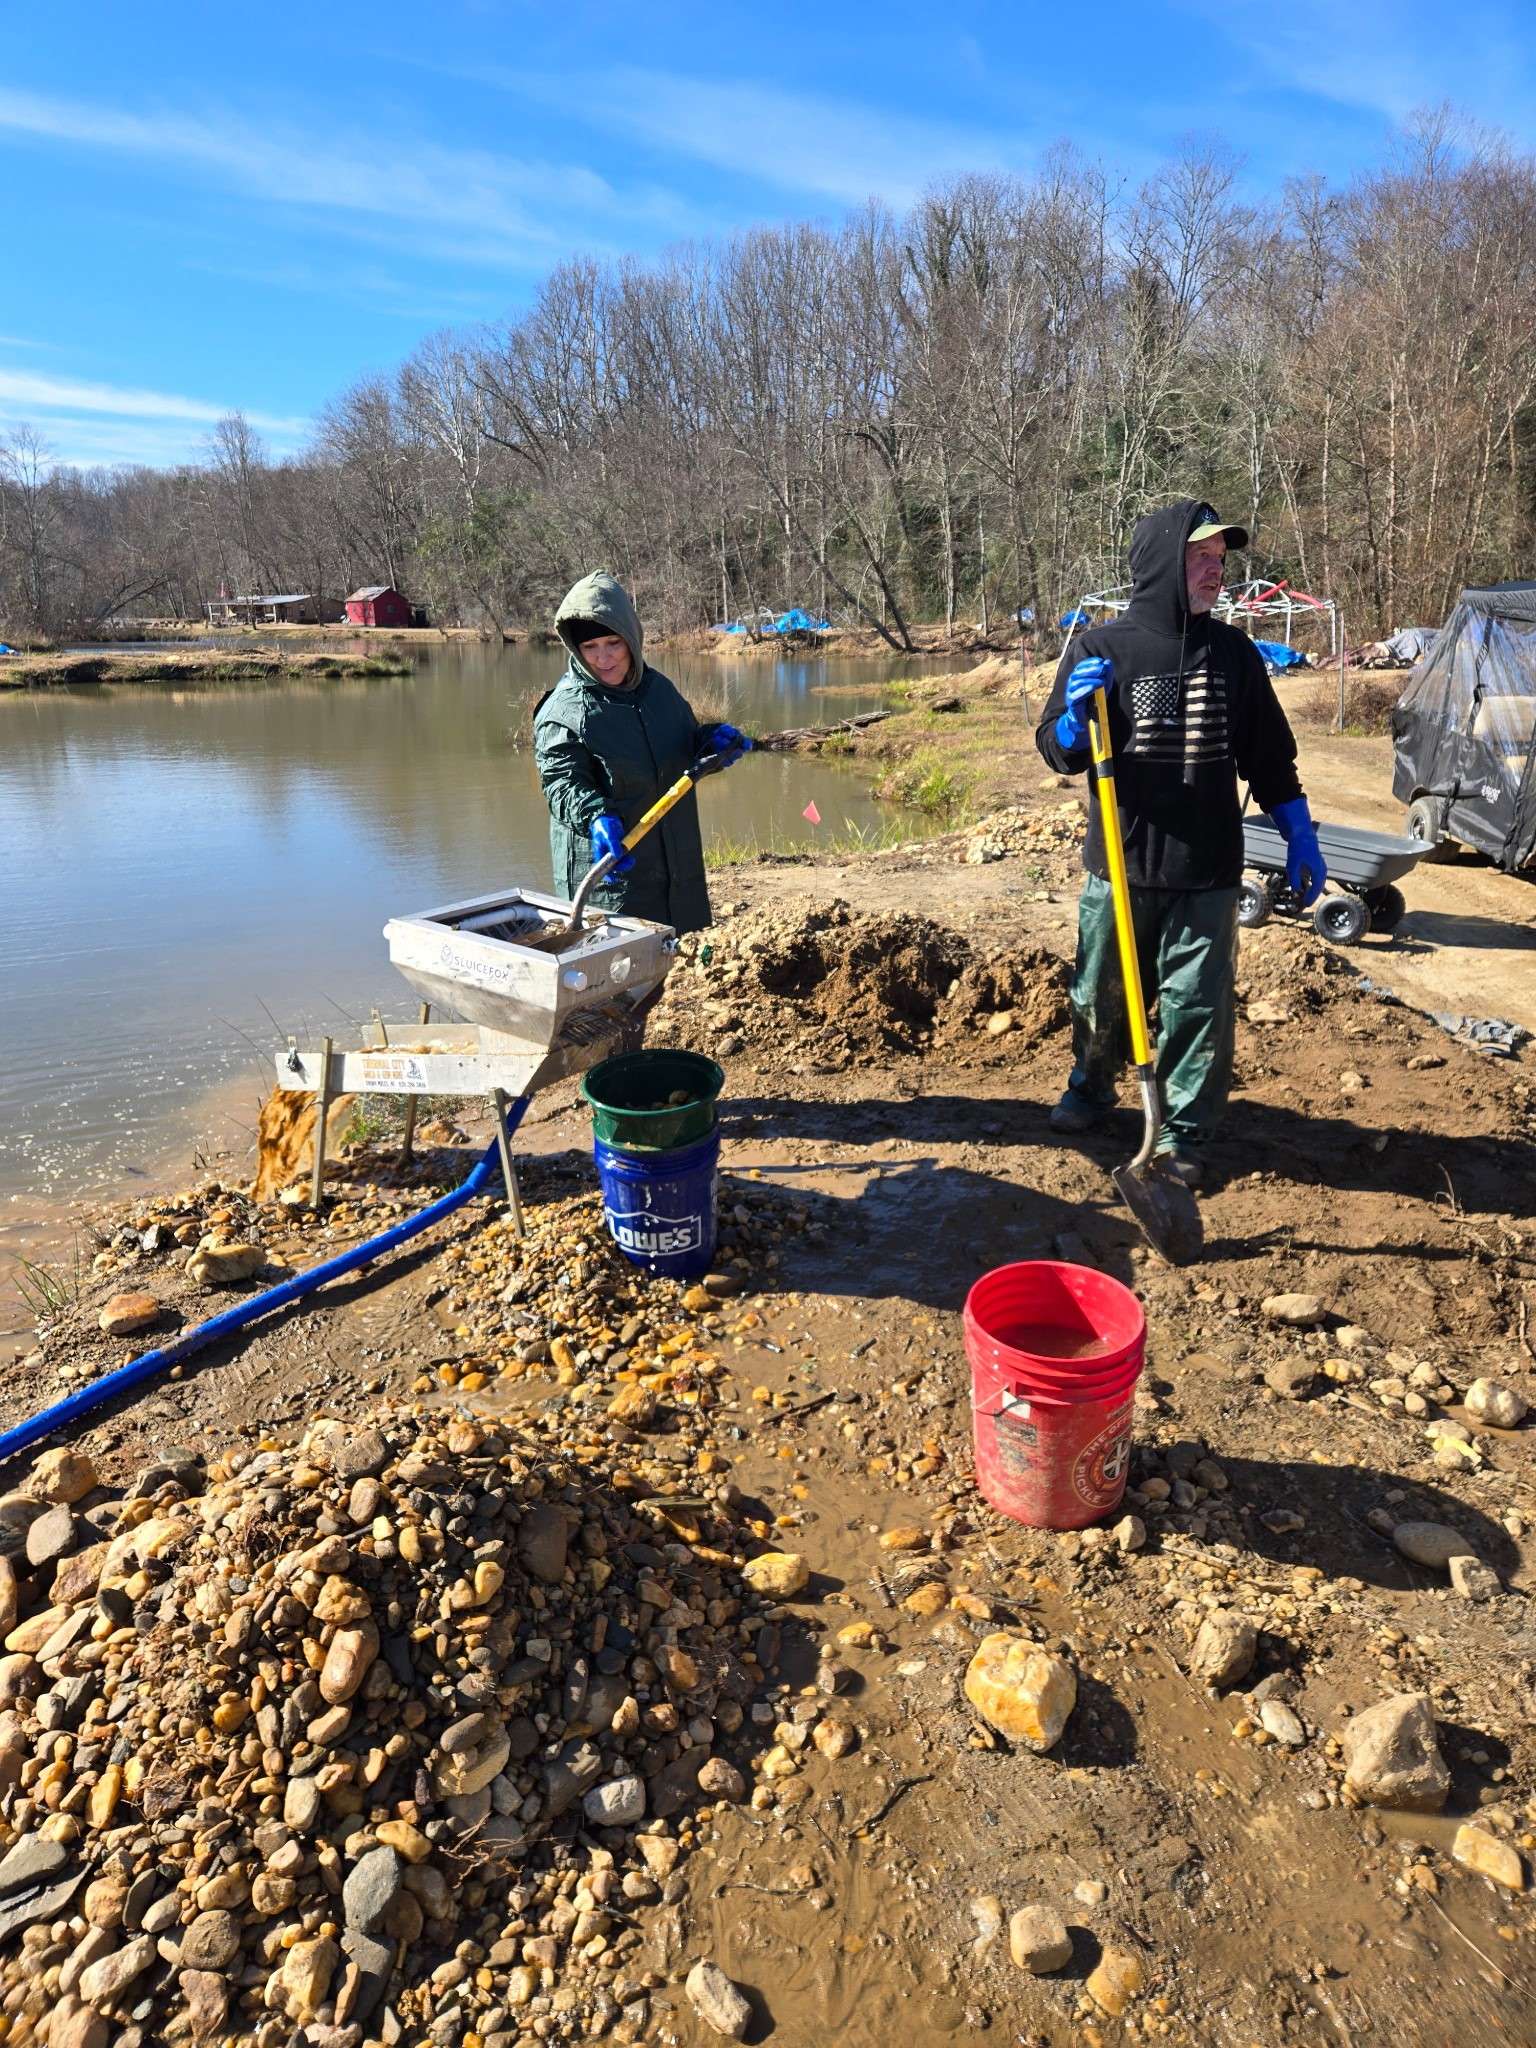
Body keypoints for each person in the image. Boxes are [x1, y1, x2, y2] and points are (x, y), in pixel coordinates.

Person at [1035, 499, 1326, 1185]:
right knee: (1099, 993)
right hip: (1121, 861)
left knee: (1200, 1005)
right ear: (1163, 562)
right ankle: (1091, 1084)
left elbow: (1269, 758)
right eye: (1202, 557)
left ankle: (1184, 1134)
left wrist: (1300, 833)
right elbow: (1055, 749)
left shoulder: (1234, 653)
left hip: (1209, 867)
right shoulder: (1101, 648)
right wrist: (1076, 724)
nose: (1215, 572)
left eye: (1221, 560)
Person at [534, 569, 750, 938]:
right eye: (590, 648)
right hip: (612, 878)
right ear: (575, 648)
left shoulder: (658, 691)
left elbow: (681, 751)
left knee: (676, 963)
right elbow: (560, 784)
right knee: (610, 978)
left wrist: (712, 743)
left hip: (676, 874)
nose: (603, 658)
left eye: (612, 643)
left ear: (631, 639)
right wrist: (596, 816)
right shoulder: (564, 709)